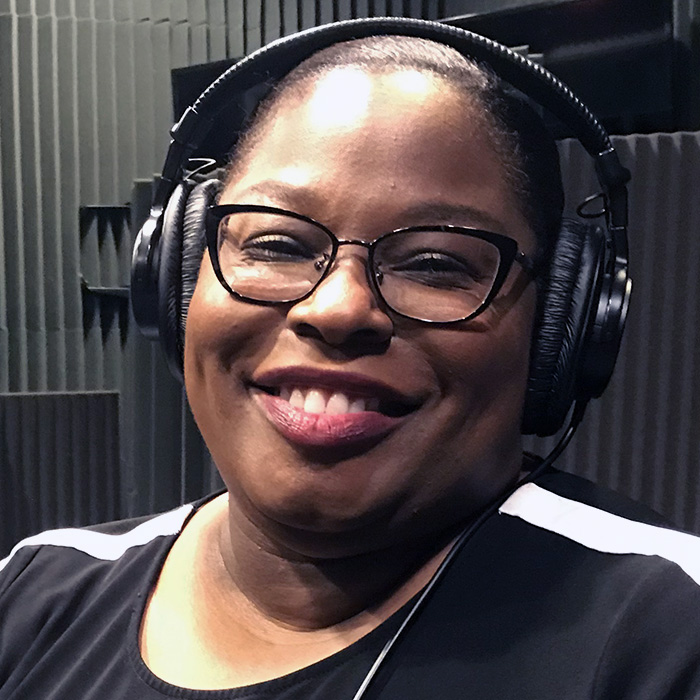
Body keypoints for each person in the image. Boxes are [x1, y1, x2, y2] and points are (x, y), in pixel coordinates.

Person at [2, 21, 700, 700]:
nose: (336, 310)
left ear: (563, 324)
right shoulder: (29, 593)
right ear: (175, 278)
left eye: (433, 263)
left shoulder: (670, 634)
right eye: (275, 245)